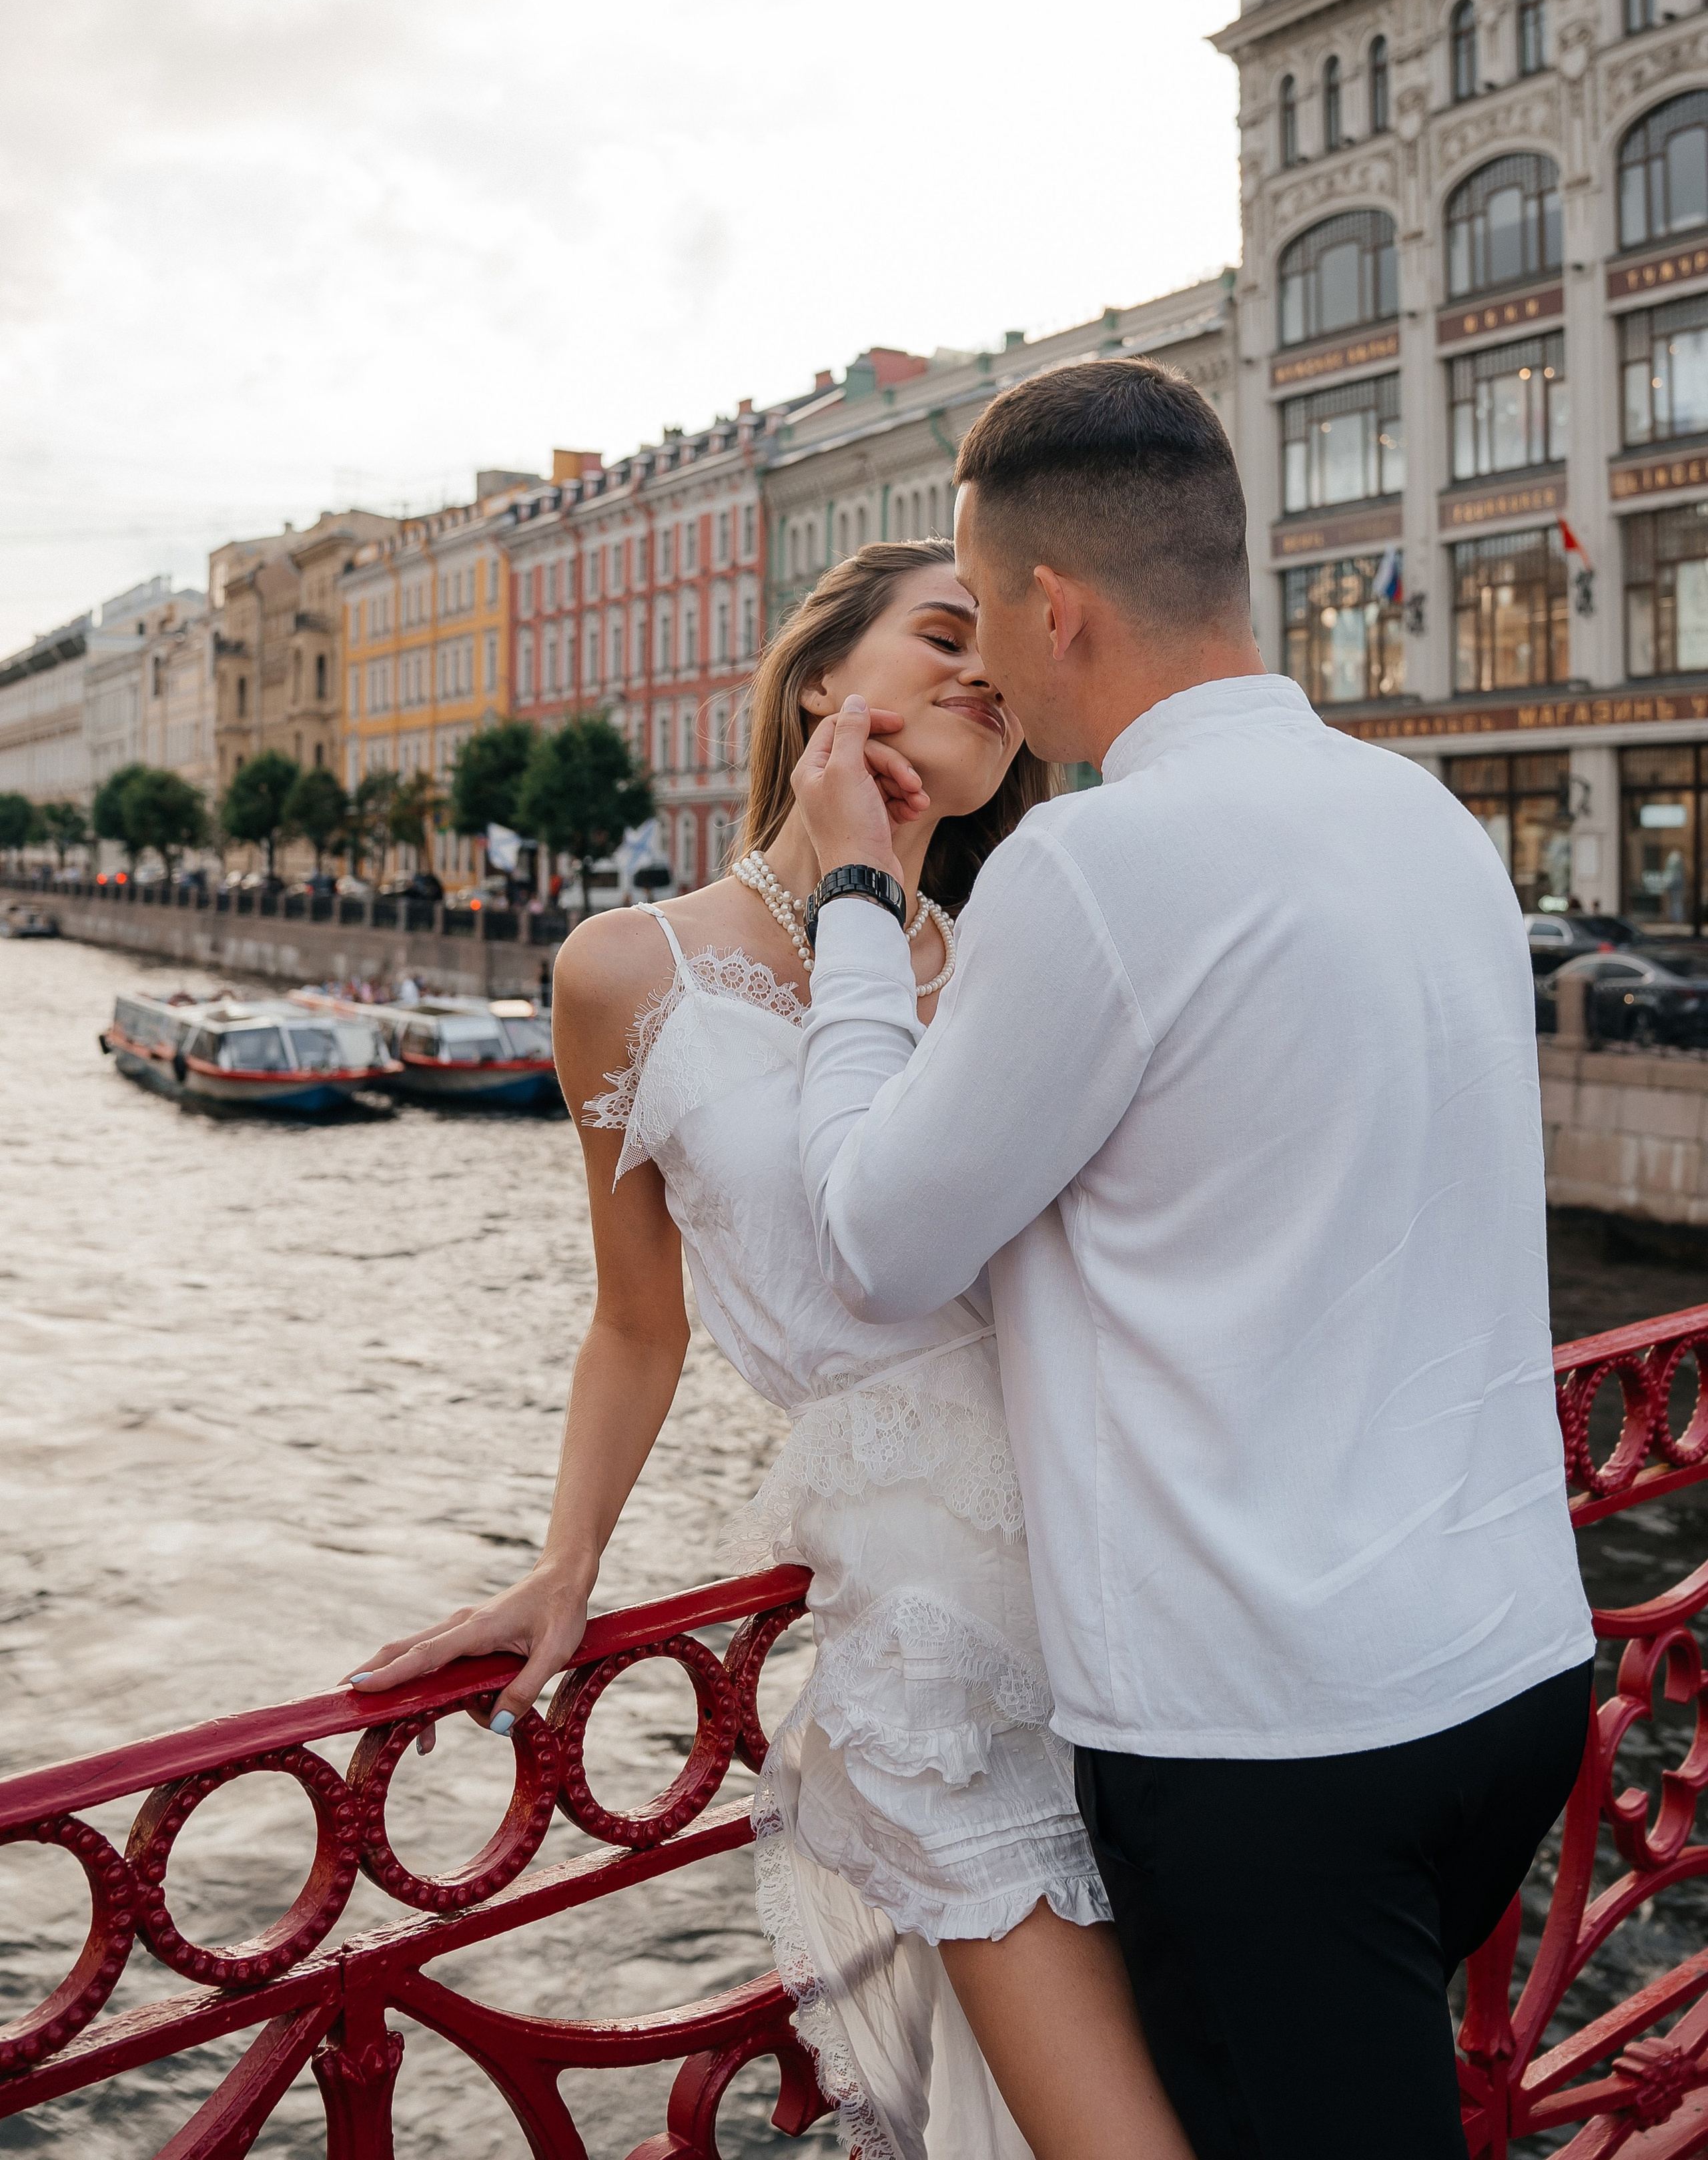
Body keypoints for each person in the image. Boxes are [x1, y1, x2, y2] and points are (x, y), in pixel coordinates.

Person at [787, 358, 1596, 2160]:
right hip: (1507, 1670)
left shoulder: (1093, 867)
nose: (987, 663)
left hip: (1277, 1735)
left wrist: (857, 902)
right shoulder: (1430, 827)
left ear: (1055, 608)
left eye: (990, 617)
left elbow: (874, 1243)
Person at [348, 538, 1191, 2160]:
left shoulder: (1016, 953)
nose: (981, 674)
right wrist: (565, 1560)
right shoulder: (624, 968)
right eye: (942, 635)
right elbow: (634, 1320)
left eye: (998, 665)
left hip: (1135, 1585)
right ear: (819, 682)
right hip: (928, 1615)